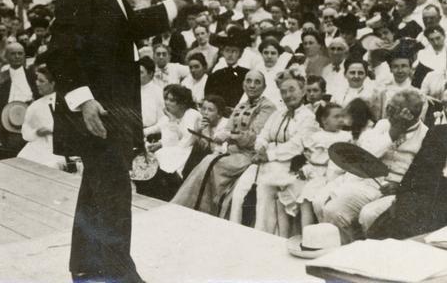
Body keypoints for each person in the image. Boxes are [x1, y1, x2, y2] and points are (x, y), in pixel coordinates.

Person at [47, 0, 187, 283]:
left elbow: (128, 28)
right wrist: (84, 100)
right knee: (113, 194)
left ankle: (85, 266)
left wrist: (175, 3)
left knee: (98, 189)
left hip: (113, 111)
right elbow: (59, 54)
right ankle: (122, 275)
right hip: (100, 113)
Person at [317, 89, 427, 243]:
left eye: (393, 110)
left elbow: (423, 175)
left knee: (369, 214)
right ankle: (349, 249)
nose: (387, 113)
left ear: (410, 114)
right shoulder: (384, 125)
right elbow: (365, 154)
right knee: (332, 209)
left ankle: (371, 256)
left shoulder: (426, 135)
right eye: (388, 106)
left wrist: (400, 186)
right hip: (369, 184)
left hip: (397, 191)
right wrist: (393, 133)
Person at [172, 69, 276, 217]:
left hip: (249, 156)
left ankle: (192, 209)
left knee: (211, 162)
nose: (252, 85)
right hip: (232, 153)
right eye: (248, 81)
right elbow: (226, 129)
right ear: (243, 85)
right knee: (208, 160)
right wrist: (222, 134)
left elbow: (253, 136)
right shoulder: (241, 105)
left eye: (257, 82)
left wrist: (228, 135)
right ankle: (187, 208)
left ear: (264, 87)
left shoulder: (267, 107)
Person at [230, 72, 318, 235]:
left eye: (292, 90)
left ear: (303, 91)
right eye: (283, 92)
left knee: (264, 188)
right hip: (268, 160)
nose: (288, 95)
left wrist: (269, 155)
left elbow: (296, 145)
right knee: (241, 188)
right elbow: (264, 134)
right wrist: (261, 147)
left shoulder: (308, 117)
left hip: (293, 164)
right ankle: (235, 230)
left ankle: (263, 235)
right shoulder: (278, 114)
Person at [140, 85, 201, 200]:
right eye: (166, 99)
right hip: (175, 150)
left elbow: (186, 141)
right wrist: (139, 134)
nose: (167, 103)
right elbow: (155, 128)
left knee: (160, 155)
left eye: (172, 100)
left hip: (188, 151)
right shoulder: (169, 117)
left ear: (183, 103)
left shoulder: (192, 114)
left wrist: (172, 121)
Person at [18, 65, 66, 170]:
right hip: (39, 145)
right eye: (37, 80)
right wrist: (37, 132)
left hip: (61, 145)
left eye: (41, 81)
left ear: (52, 84)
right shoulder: (35, 106)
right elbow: (25, 132)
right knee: (22, 161)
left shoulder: (65, 102)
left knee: (51, 165)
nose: (37, 83)